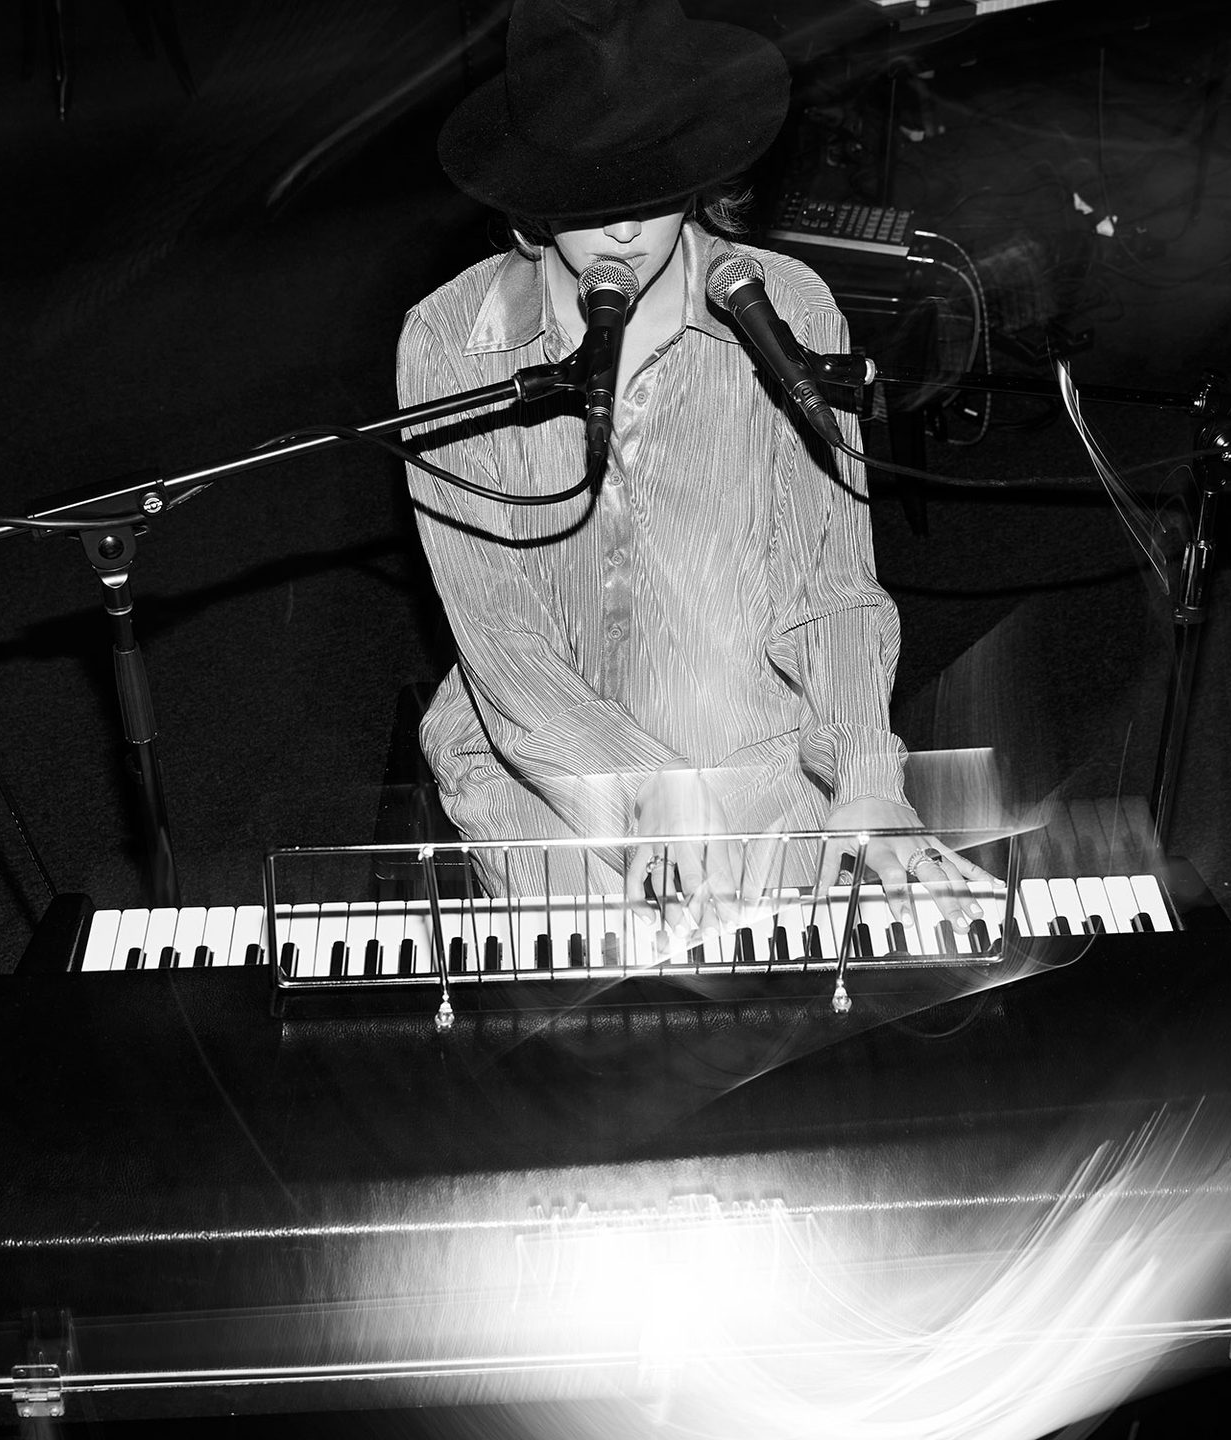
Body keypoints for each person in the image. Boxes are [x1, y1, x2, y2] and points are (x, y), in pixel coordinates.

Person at [397, 0, 991, 942]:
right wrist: (650, 793)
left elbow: (829, 588)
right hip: (547, 759)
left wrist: (869, 788)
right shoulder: (450, 342)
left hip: (759, 750)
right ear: (530, 199)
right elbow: (500, 634)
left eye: (653, 188)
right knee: (605, 1024)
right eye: (589, 202)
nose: (627, 232)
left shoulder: (784, 308)